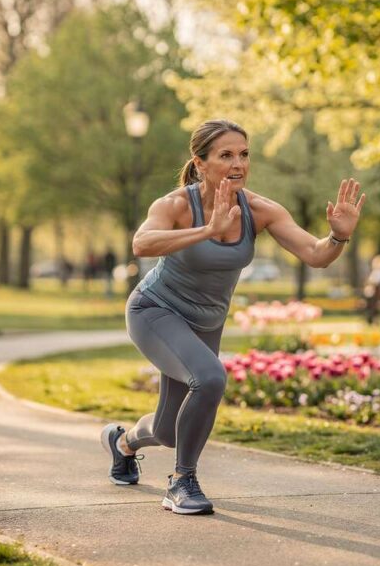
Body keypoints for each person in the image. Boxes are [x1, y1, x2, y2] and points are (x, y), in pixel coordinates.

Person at [100, 119, 366, 515]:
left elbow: (316, 255)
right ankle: (182, 482)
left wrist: (339, 236)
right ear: (200, 163)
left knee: (168, 431)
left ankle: (121, 442)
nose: (238, 164)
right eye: (226, 155)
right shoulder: (175, 205)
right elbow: (142, 243)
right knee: (210, 378)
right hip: (156, 310)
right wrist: (207, 230)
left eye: (244, 154)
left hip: (206, 323)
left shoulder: (260, 210)